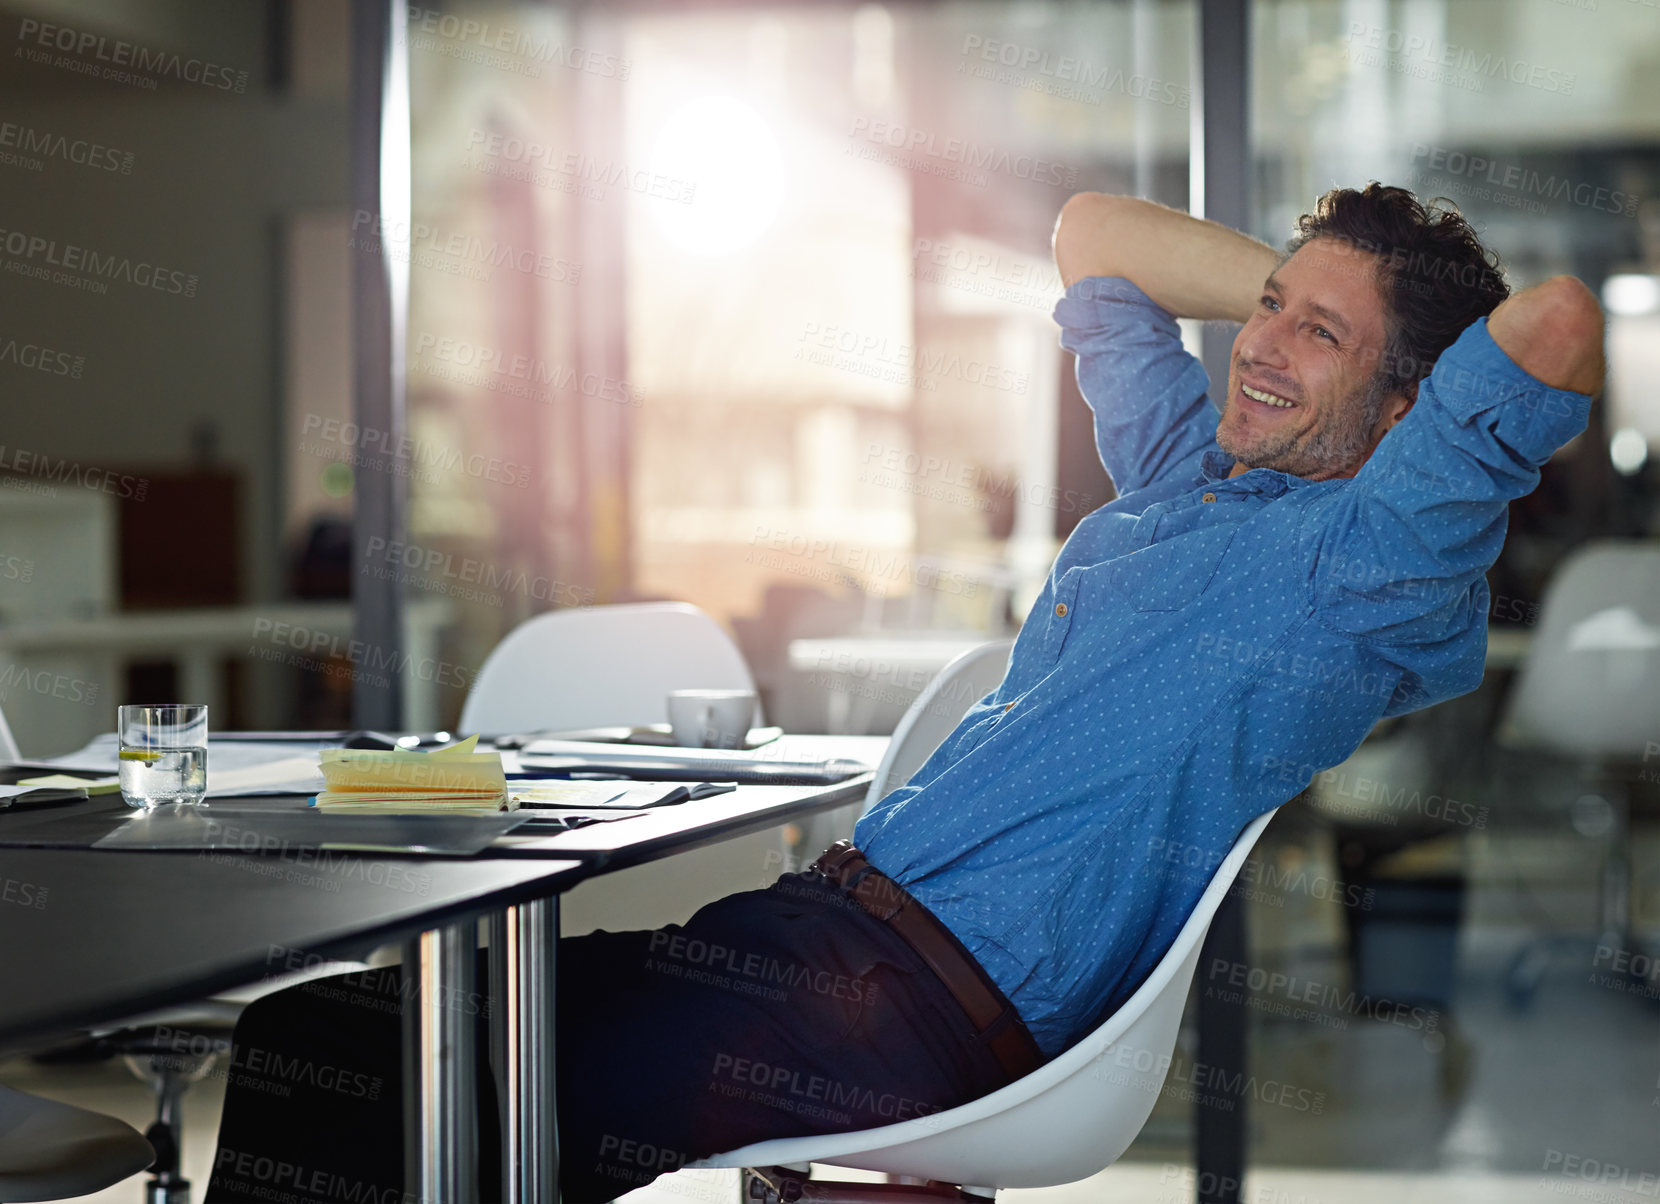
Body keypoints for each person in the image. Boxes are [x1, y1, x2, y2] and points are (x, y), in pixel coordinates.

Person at [204, 184, 1604, 1204]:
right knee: (321, 1039)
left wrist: (1379, 341)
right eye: (1264, 313)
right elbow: (1090, 239)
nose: (1258, 348)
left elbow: (1550, 322)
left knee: (407, 1108)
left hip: (896, 1009)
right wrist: (1314, 312)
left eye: (1319, 338)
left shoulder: (1365, 560)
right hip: (817, 939)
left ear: (1417, 407)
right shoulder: (1193, 478)